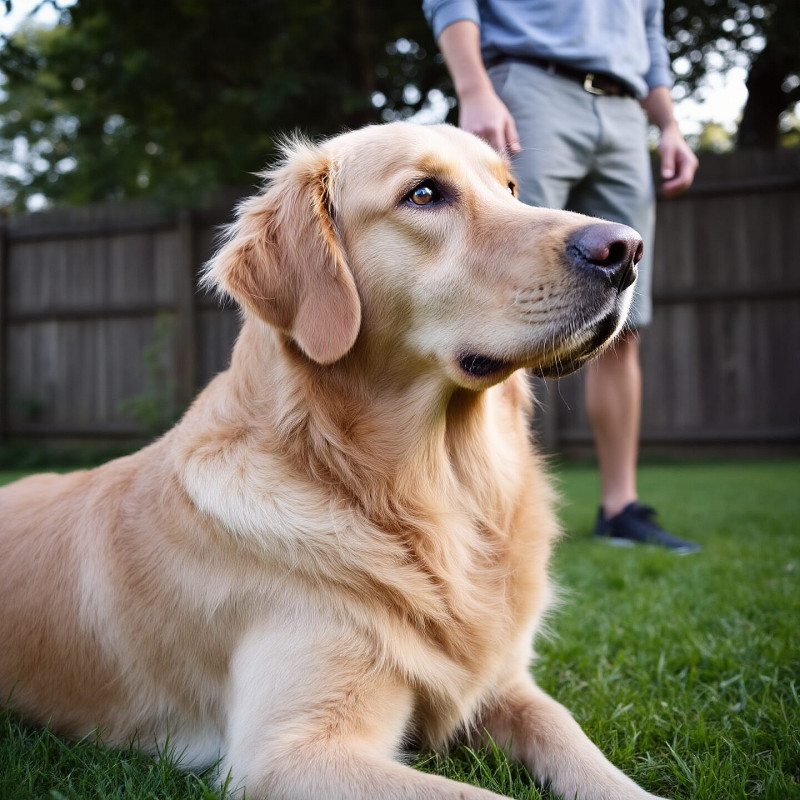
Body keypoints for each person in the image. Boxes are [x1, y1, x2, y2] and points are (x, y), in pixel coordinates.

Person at [423, 0, 701, 552]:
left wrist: (668, 124)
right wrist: (475, 86)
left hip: (625, 109)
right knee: (503, 312)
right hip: (529, 86)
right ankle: (487, 505)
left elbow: (649, 34)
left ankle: (620, 508)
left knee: (621, 319)